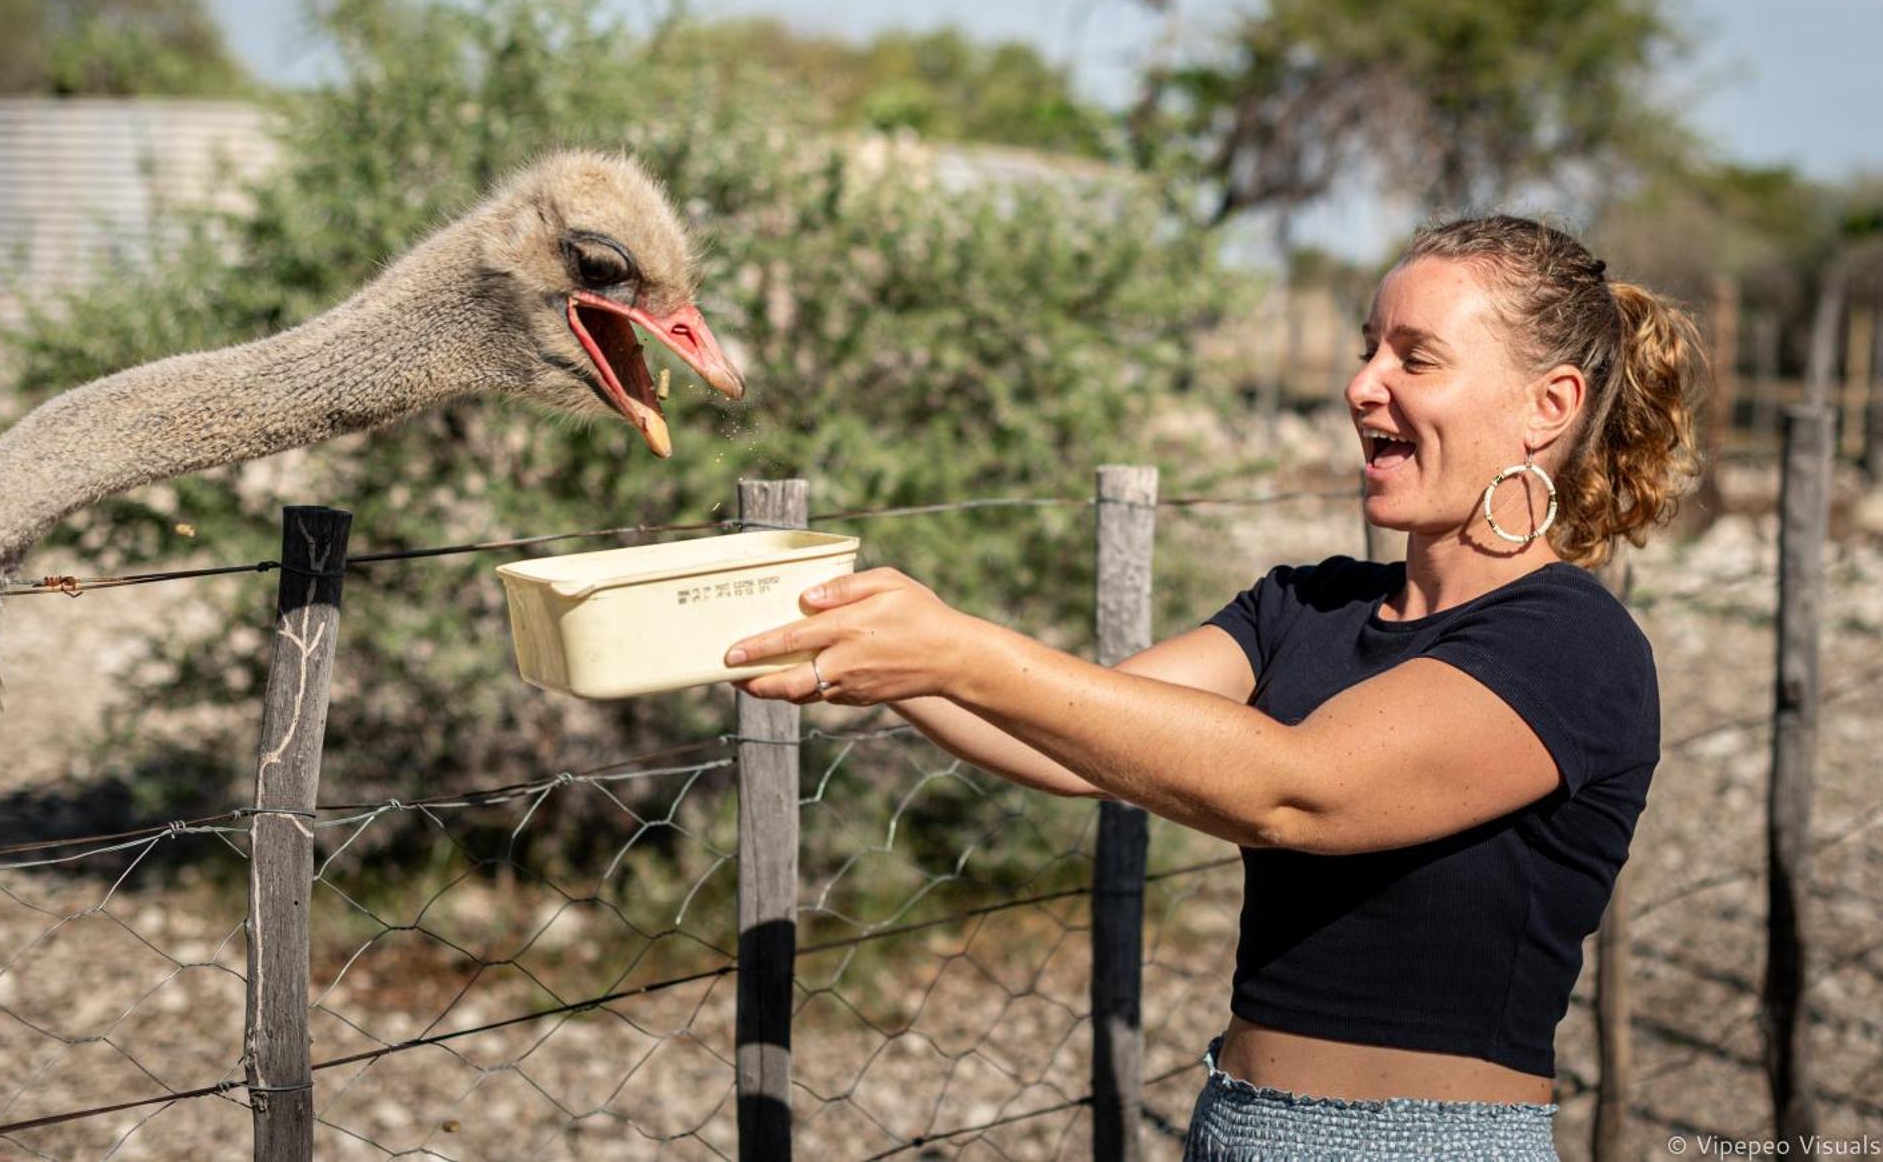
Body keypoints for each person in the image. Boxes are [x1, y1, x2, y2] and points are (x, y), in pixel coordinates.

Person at [725, 215, 1707, 1161]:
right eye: (1367, 348)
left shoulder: (1570, 642)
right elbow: (1062, 741)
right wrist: (849, 644)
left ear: (1549, 404)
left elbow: (1296, 789)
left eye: (1414, 357)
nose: (1360, 385)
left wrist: (955, 650)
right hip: (1231, 1124)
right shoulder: (1306, 602)